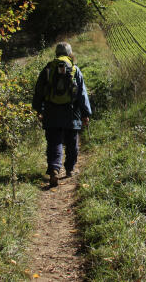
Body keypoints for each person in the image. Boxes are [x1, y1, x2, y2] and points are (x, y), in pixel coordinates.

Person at [32, 42, 91, 187]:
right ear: (70, 54)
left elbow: (39, 91)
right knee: (72, 140)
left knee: (54, 141)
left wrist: (38, 109)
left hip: (51, 111)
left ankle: (54, 169)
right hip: (72, 112)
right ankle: (70, 169)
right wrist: (85, 113)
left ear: (56, 54)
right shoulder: (75, 70)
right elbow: (82, 94)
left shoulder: (48, 69)